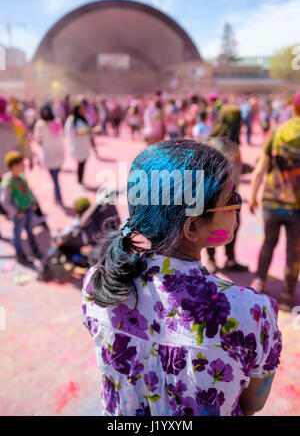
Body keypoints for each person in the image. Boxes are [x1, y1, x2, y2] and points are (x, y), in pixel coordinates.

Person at [82, 139, 282, 417]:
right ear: (192, 227)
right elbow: (252, 405)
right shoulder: (251, 313)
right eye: (231, 199)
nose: (238, 205)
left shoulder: (98, 283)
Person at [249, 90, 300, 312]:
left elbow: (261, 167)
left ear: (293, 107)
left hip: (271, 199)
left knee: (268, 242)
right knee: (294, 252)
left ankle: (259, 281)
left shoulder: (278, 131)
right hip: (297, 205)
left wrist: (252, 195)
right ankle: (288, 296)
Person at [208, 103, 248, 272]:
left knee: (233, 225)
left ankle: (228, 258)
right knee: (213, 225)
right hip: (217, 196)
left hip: (230, 195)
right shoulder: (219, 144)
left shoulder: (229, 142)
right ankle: (212, 260)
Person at [0, 151, 42, 264]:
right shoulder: (8, 183)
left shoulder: (22, 177)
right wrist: (15, 211)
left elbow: (28, 190)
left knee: (30, 230)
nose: (24, 166)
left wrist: (32, 201)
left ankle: (34, 248)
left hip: (28, 209)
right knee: (17, 235)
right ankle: (19, 254)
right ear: (14, 166)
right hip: (19, 213)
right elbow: (5, 201)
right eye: (21, 164)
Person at [34, 103, 64, 205]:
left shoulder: (40, 125)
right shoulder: (57, 122)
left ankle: (58, 198)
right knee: (56, 178)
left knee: (54, 179)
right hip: (59, 153)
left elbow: (38, 139)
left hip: (48, 155)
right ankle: (57, 197)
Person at [65, 102, 91, 186]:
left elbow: (87, 129)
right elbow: (69, 131)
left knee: (83, 162)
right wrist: (78, 132)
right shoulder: (72, 119)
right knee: (80, 162)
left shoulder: (84, 118)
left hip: (84, 144)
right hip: (77, 144)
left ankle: (81, 179)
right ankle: (79, 179)